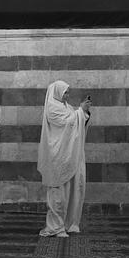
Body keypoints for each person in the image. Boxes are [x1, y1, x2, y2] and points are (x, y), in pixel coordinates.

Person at [38, 80, 91, 238]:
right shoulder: (52, 107)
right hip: (57, 156)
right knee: (58, 194)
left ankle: (67, 224)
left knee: (70, 192)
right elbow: (67, 123)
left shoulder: (66, 107)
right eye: (65, 92)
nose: (67, 95)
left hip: (68, 155)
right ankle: (54, 227)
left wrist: (84, 113)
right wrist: (80, 111)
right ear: (57, 92)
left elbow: (76, 122)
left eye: (68, 92)